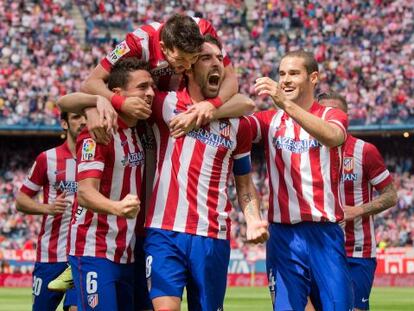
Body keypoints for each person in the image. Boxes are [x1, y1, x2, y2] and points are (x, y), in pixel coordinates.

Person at [144, 35, 268, 311]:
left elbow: (245, 185)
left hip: (212, 235)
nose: (217, 64)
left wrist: (253, 219)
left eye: (220, 59)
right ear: (188, 67)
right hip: (164, 231)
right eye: (206, 58)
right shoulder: (165, 104)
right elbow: (121, 92)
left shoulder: (239, 125)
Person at [249, 50, 353, 310]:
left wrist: (285, 104)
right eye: (282, 73)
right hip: (283, 236)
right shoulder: (268, 121)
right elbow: (235, 123)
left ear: (313, 77)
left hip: (324, 234)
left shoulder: (331, 115)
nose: (285, 80)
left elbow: (333, 137)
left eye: (293, 73)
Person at [64, 59, 155, 311]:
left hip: (127, 252)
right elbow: (84, 193)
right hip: (94, 249)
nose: (150, 93)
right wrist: (117, 208)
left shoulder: (140, 131)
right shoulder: (99, 132)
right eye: (142, 87)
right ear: (118, 95)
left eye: (152, 87)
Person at [81, 14, 238, 141]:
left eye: (194, 58)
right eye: (180, 59)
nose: (188, 66)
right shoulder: (137, 42)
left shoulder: (204, 30)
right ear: (163, 47)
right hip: (149, 113)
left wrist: (211, 105)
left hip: (186, 106)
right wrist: (121, 103)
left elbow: (231, 78)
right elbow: (91, 82)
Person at [319, 92, 397, 311]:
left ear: (346, 118)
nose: (329, 118)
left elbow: (391, 195)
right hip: (318, 247)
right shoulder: (306, 151)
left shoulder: (365, 151)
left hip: (357, 251)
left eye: (335, 112)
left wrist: (357, 210)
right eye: (324, 112)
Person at [15, 112, 86, 311]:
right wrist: (47, 208)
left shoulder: (97, 158)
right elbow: (21, 200)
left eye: (86, 117)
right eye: (76, 117)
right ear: (64, 123)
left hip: (82, 254)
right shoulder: (48, 158)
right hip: (50, 255)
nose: (82, 121)